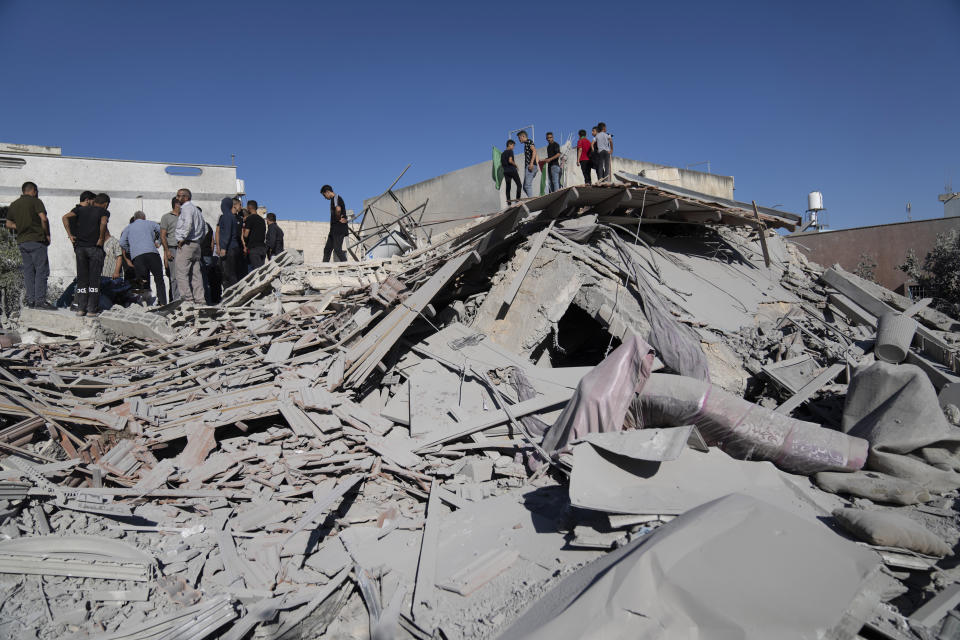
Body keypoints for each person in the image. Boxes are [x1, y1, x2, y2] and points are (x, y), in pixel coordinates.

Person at [4, 181, 53, 309]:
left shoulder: (14, 204)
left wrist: (20, 227)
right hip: (37, 240)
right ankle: (40, 301)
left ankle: (31, 301)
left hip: (22, 242)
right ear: (34, 191)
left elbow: (8, 224)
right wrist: (47, 234)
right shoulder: (36, 201)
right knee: (41, 271)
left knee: (29, 272)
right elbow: (43, 218)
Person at [62, 193, 109, 315]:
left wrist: (71, 236)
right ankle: (91, 309)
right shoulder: (103, 211)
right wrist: (100, 238)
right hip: (94, 248)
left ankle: (81, 309)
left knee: (82, 279)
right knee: (94, 279)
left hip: (80, 248)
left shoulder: (80, 210)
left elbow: (65, 217)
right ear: (106, 204)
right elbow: (103, 223)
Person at [119, 211, 166, 305]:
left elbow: (122, 242)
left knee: (141, 280)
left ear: (135, 218)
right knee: (159, 279)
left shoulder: (128, 228)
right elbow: (162, 230)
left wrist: (131, 250)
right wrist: (159, 242)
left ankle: (142, 303)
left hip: (138, 256)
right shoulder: (150, 223)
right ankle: (163, 302)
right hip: (153, 254)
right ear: (144, 217)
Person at [173, 188, 207, 304]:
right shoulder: (196, 210)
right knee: (196, 274)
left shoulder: (187, 209)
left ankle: (187, 301)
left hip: (187, 243)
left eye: (179, 196)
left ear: (186, 197)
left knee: (181, 273)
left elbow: (188, 224)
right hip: (196, 245)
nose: (177, 198)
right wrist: (199, 240)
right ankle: (200, 300)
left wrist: (182, 238)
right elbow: (205, 228)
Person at [216, 197, 242, 288]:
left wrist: (223, 248)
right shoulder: (230, 216)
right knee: (231, 273)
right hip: (233, 248)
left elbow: (227, 233)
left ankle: (232, 295)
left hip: (229, 248)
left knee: (228, 274)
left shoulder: (226, 216)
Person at [160, 196, 181, 301]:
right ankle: (176, 299)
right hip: (172, 248)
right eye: (180, 203)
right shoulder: (166, 217)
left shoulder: (184, 216)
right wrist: (167, 251)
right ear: (176, 204)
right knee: (174, 276)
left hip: (184, 248)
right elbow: (163, 236)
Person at [321, 185, 348, 262]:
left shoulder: (336, 198)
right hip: (333, 230)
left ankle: (346, 264)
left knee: (337, 249)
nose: (325, 197)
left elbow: (338, 209)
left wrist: (338, 217)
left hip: (339, 228)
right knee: (327, 249)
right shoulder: (333, 200)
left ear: (327, 192)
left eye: (324, 195)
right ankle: (324, 267)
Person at [517, 130, 539, 198]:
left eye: (519, 138)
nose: (519, 139)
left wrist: (532, 163)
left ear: (523, 136)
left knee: (527, 186)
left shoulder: (529, 141)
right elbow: (536, 153)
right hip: (530, 166)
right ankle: (531, 198)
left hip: (530, 166)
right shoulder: (526, 144)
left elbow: (534, 151)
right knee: (524, 187)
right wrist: (537, 165)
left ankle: (531, 200)